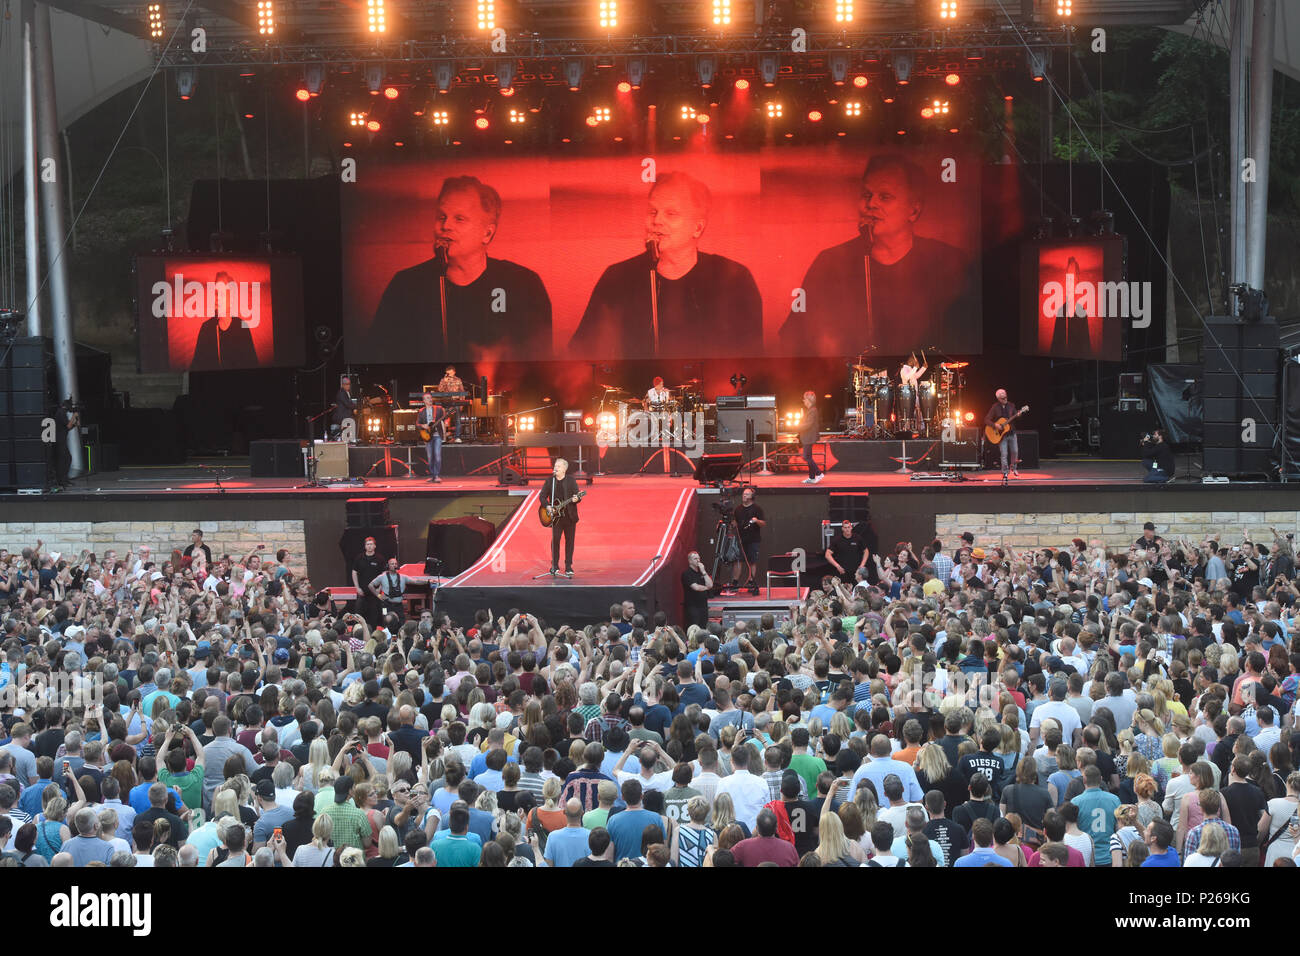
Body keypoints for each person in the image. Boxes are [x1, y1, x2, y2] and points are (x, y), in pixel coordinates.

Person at [778, 154, 977, 357]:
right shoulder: (829, 263)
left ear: (914, 210)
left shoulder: (948, 262)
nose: (871, 204)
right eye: (866, 195)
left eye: (885, 197)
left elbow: (967, 339)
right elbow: (793, 338)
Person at [569, 172, 761, 358]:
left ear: (698, 227)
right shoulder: (618, 277)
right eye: (653, 211)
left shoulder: (733, 279)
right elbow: (582, 354)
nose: (657, 221)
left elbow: (750, 358)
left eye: (671, 213)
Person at [369, 176, 553, 362]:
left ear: (487, 233)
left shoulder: (523, 285)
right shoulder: (405, 286)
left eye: (459, 219)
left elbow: (538, 366)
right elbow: (380, 358)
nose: (445, 226)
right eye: (441, 217)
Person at [189, 271, 259, 371]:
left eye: (222, 292)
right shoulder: (206, 328)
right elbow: (195, 368)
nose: (217, 297)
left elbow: (253, 366)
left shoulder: (242, 327)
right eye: (216, 292)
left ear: (232, 297)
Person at [540, 458, 581, 578]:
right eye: (555, 466)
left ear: (564, 469)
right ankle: (555, 566)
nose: (556, 468)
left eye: (558, 466)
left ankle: (568, 567)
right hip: (555, 518)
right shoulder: (550, 481)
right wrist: (547, 506)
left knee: (570, 542)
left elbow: (577, 495)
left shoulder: (571, 481)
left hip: (569, 516)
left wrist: (577, 498)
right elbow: (542, 496)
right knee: (555, 540)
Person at [730, 486, 765, 594]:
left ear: (752, 497)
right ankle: (735, 582)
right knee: (737, 560)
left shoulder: (757, 509)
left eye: (747, 494)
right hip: (740, 539)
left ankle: (751, 581)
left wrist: (757, 521)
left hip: (753, 539)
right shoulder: (738, 509)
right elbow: (734, 522)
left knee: (752, 561)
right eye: (743, 494)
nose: (744, 495)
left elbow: (763, 523)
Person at [984, 388, 1021, 478]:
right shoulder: (995, 407)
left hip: (1011, 433)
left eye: (1005, 397)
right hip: (1001, 435)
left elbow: (1017, 416)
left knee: (1015, 451)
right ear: (998, 399)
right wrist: (995, 425)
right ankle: (1005, 471)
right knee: (1004, 454)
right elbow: (986, 420)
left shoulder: (1012, 405)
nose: (1005, 399)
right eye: (1002, 398)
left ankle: (1014, 468)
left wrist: (1019, 414)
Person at [351, 537, 386, 627]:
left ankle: (372, 635)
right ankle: (357, 633)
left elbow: (384, 575)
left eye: (371, 544)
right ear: (365, 546)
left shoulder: (380, 558)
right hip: (361, 592)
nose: (369, 546)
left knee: (374, 616)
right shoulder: (359, 558)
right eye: (367, 544)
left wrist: (379, 589)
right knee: (358, 615)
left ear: (374, 546)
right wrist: (357, 588)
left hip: (375, 593)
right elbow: (354, 572)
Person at [417, 391, 449, 483]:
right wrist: (424, 426)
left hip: (437, 435)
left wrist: (446, 426)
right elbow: (417, 424)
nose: (430, 399)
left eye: (430, 398)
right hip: (427, 436)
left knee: (437, 456)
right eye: (427, 398)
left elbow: (445, 419)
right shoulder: (421, 411)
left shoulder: (438, 409)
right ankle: (432, 475)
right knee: (430, 457)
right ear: (424, 401)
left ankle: (436, 475)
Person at [681, 551, 713, 631]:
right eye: (695, 559)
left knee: (703, 628)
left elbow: (711, 585)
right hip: (693, 607)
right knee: (695, 630)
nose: (698, 560)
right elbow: (696, 587)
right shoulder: (687, 573)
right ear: (690, 561)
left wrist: (704, 572)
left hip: (703, 607)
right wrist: (707, 587)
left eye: (699, 558)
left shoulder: (701, 573)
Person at [798, 390, 824, 484]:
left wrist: (797, 427)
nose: (803, 401)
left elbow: (808, 424)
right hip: (808, 436)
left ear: (808, 400)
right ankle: (812, 477)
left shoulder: (812, 410)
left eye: (804, 399)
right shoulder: (811, 410)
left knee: (806, 457)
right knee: (808, 457)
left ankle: (818, 473)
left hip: (809, 437)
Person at [436, 366, 466, 442]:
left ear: (454, 372)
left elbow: (462, 392)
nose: (449, 373)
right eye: (448, 372)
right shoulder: (443, 380)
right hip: (446, 402)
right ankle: (443, 437)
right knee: (443, 419)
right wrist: (444, 381)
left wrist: (462, 403)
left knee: (457, 419)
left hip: (456, 402)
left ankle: (457, 437)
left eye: (450, 371)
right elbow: (439, 390)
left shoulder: (458, 380)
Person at [331, 374, 359, 440]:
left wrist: (355, 407)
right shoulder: (341, 393)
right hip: (342, 415)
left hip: (346, 414)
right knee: (354, 419)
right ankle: (351, 438)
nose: (348, 386)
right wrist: (356, 407)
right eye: (346, 384)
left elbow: (350, 403)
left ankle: (352, 437)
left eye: (349, 384)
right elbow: (347, 404)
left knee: (356, 417)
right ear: (343, 385)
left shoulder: (347, 392)